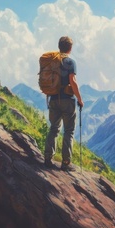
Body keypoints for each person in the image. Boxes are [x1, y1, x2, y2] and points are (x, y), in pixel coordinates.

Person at [44, 36, 84, 171]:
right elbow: (73, 81)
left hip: (54, 99)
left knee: (54, 129)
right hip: (67, 100)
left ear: (59, 46)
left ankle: (48, 158)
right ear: (70, 48)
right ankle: (66, 163)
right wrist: (79, 99)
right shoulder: (70, 62)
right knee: (69, 131)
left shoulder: (52, 63)